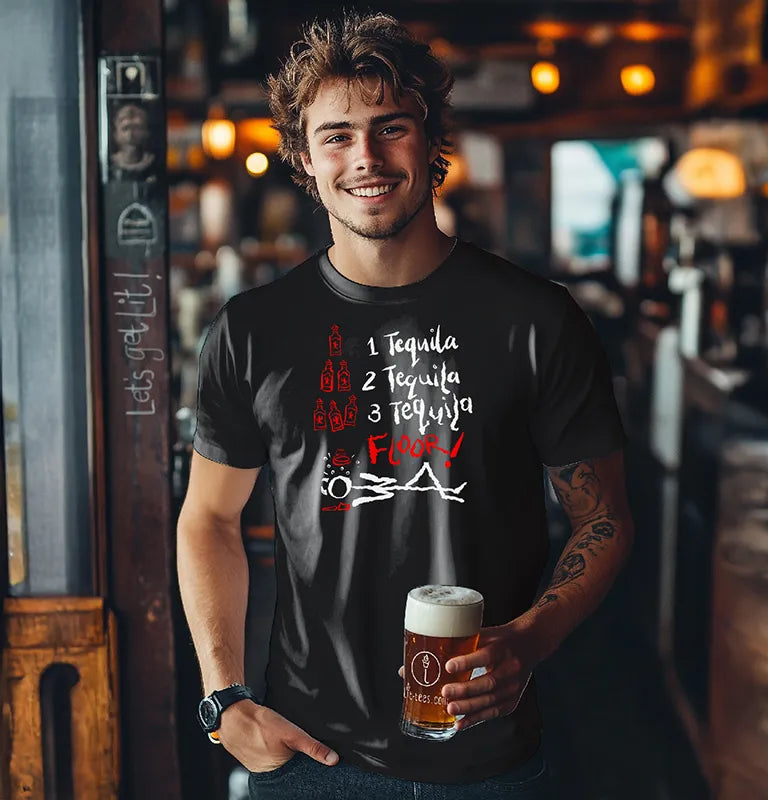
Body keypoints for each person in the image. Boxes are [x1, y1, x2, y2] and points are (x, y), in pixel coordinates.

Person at [177, 11, 634, 799]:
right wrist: (224, 701)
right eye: (337, 135)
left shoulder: (536, 318)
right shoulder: (253, 331)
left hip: (494, 761)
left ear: (430, 143)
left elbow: (605, 516)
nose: (366, 157)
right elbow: (208, 519)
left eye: (391, 127)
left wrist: (529, 641)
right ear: (305, 160)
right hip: (309, 759)